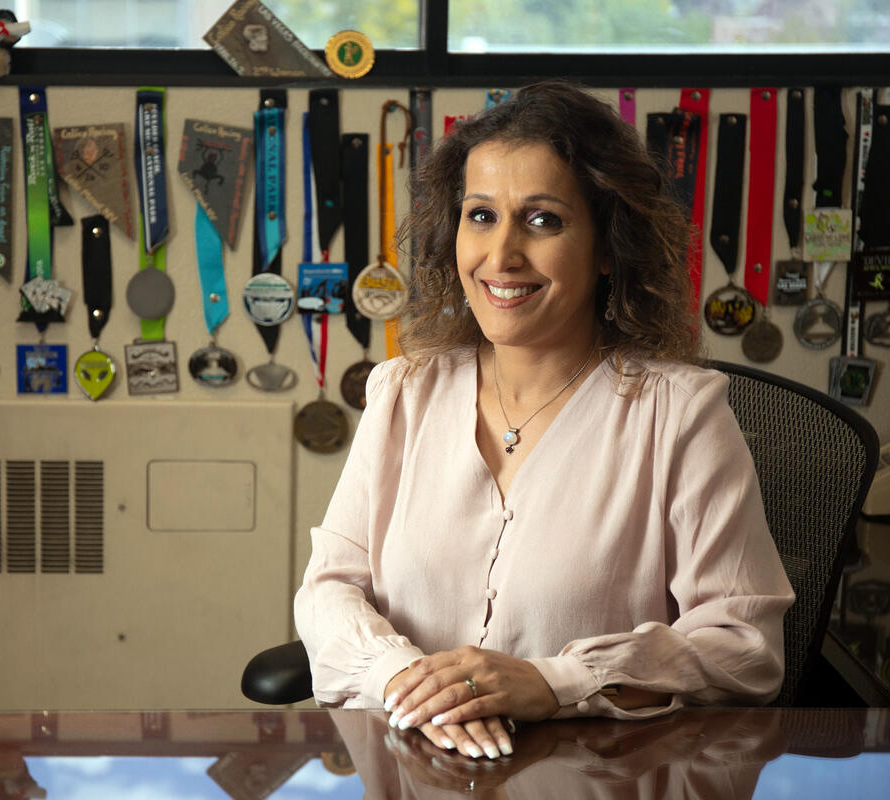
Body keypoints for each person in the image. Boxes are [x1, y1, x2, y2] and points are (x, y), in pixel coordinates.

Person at [293, 81, 794, 763]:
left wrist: (557, 682)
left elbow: (745, 647)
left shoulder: (681, 414)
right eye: (481, 216)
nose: (501, 256)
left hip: (591, 776)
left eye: (543, 220)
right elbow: (329, 591)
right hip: (415, 768)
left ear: (608, 246)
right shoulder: (402, 392)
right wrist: (405, 680)